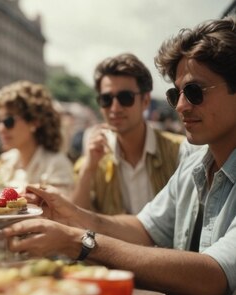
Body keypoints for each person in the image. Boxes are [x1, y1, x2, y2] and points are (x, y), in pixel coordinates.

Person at [2, 17, 236, 295]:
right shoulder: (197, 161)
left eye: (194, 92)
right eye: (176, 92)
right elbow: (143, 229)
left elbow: (211, 275)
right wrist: (73, 214)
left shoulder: (182, 152)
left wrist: (81, 242)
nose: (180, 106)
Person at [72, 53, 184, 214]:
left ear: (145, 101)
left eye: (125, 98)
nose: (115, 108)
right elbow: (76, 220)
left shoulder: (179, 151)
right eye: (106, 99)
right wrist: (88, 169)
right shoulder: (93, 161)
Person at [0, 80, 74, 193]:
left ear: (34, 122)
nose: (0, 128)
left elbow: (60, 209)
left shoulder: (56, 165)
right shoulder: (7, 161)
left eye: (8, 121)